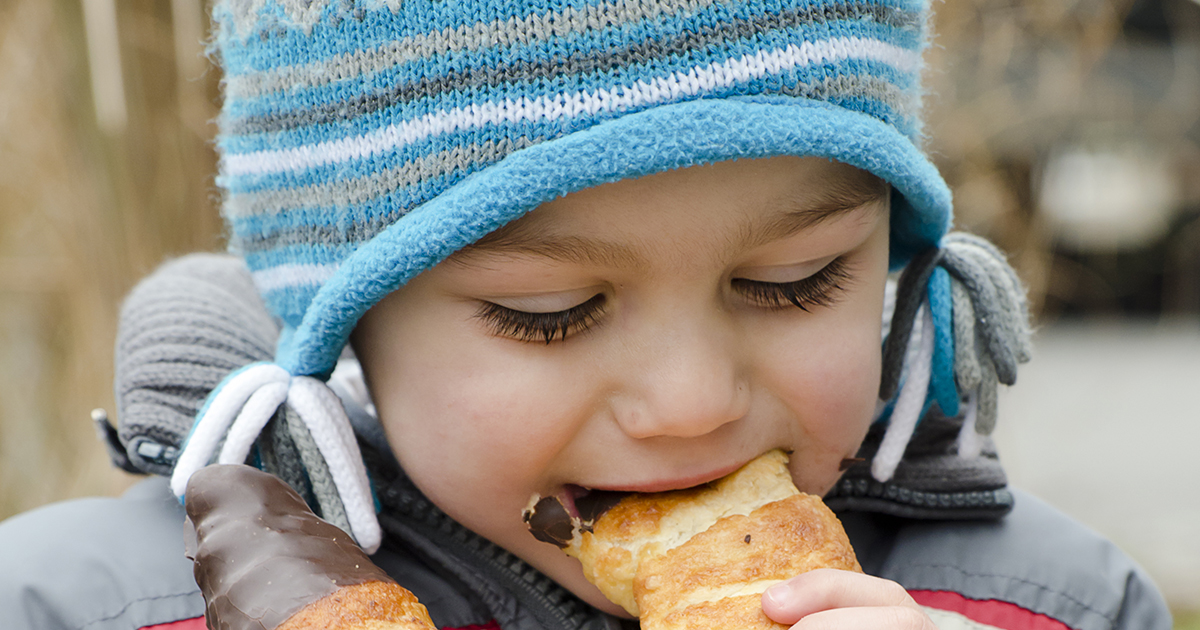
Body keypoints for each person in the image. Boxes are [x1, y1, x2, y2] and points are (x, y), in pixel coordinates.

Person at [0, 1, 1172, 629]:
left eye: (793, 281)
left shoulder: (1049, 605)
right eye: (553, 312)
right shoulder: (85, 610)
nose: (689, 403)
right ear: (345, 321)